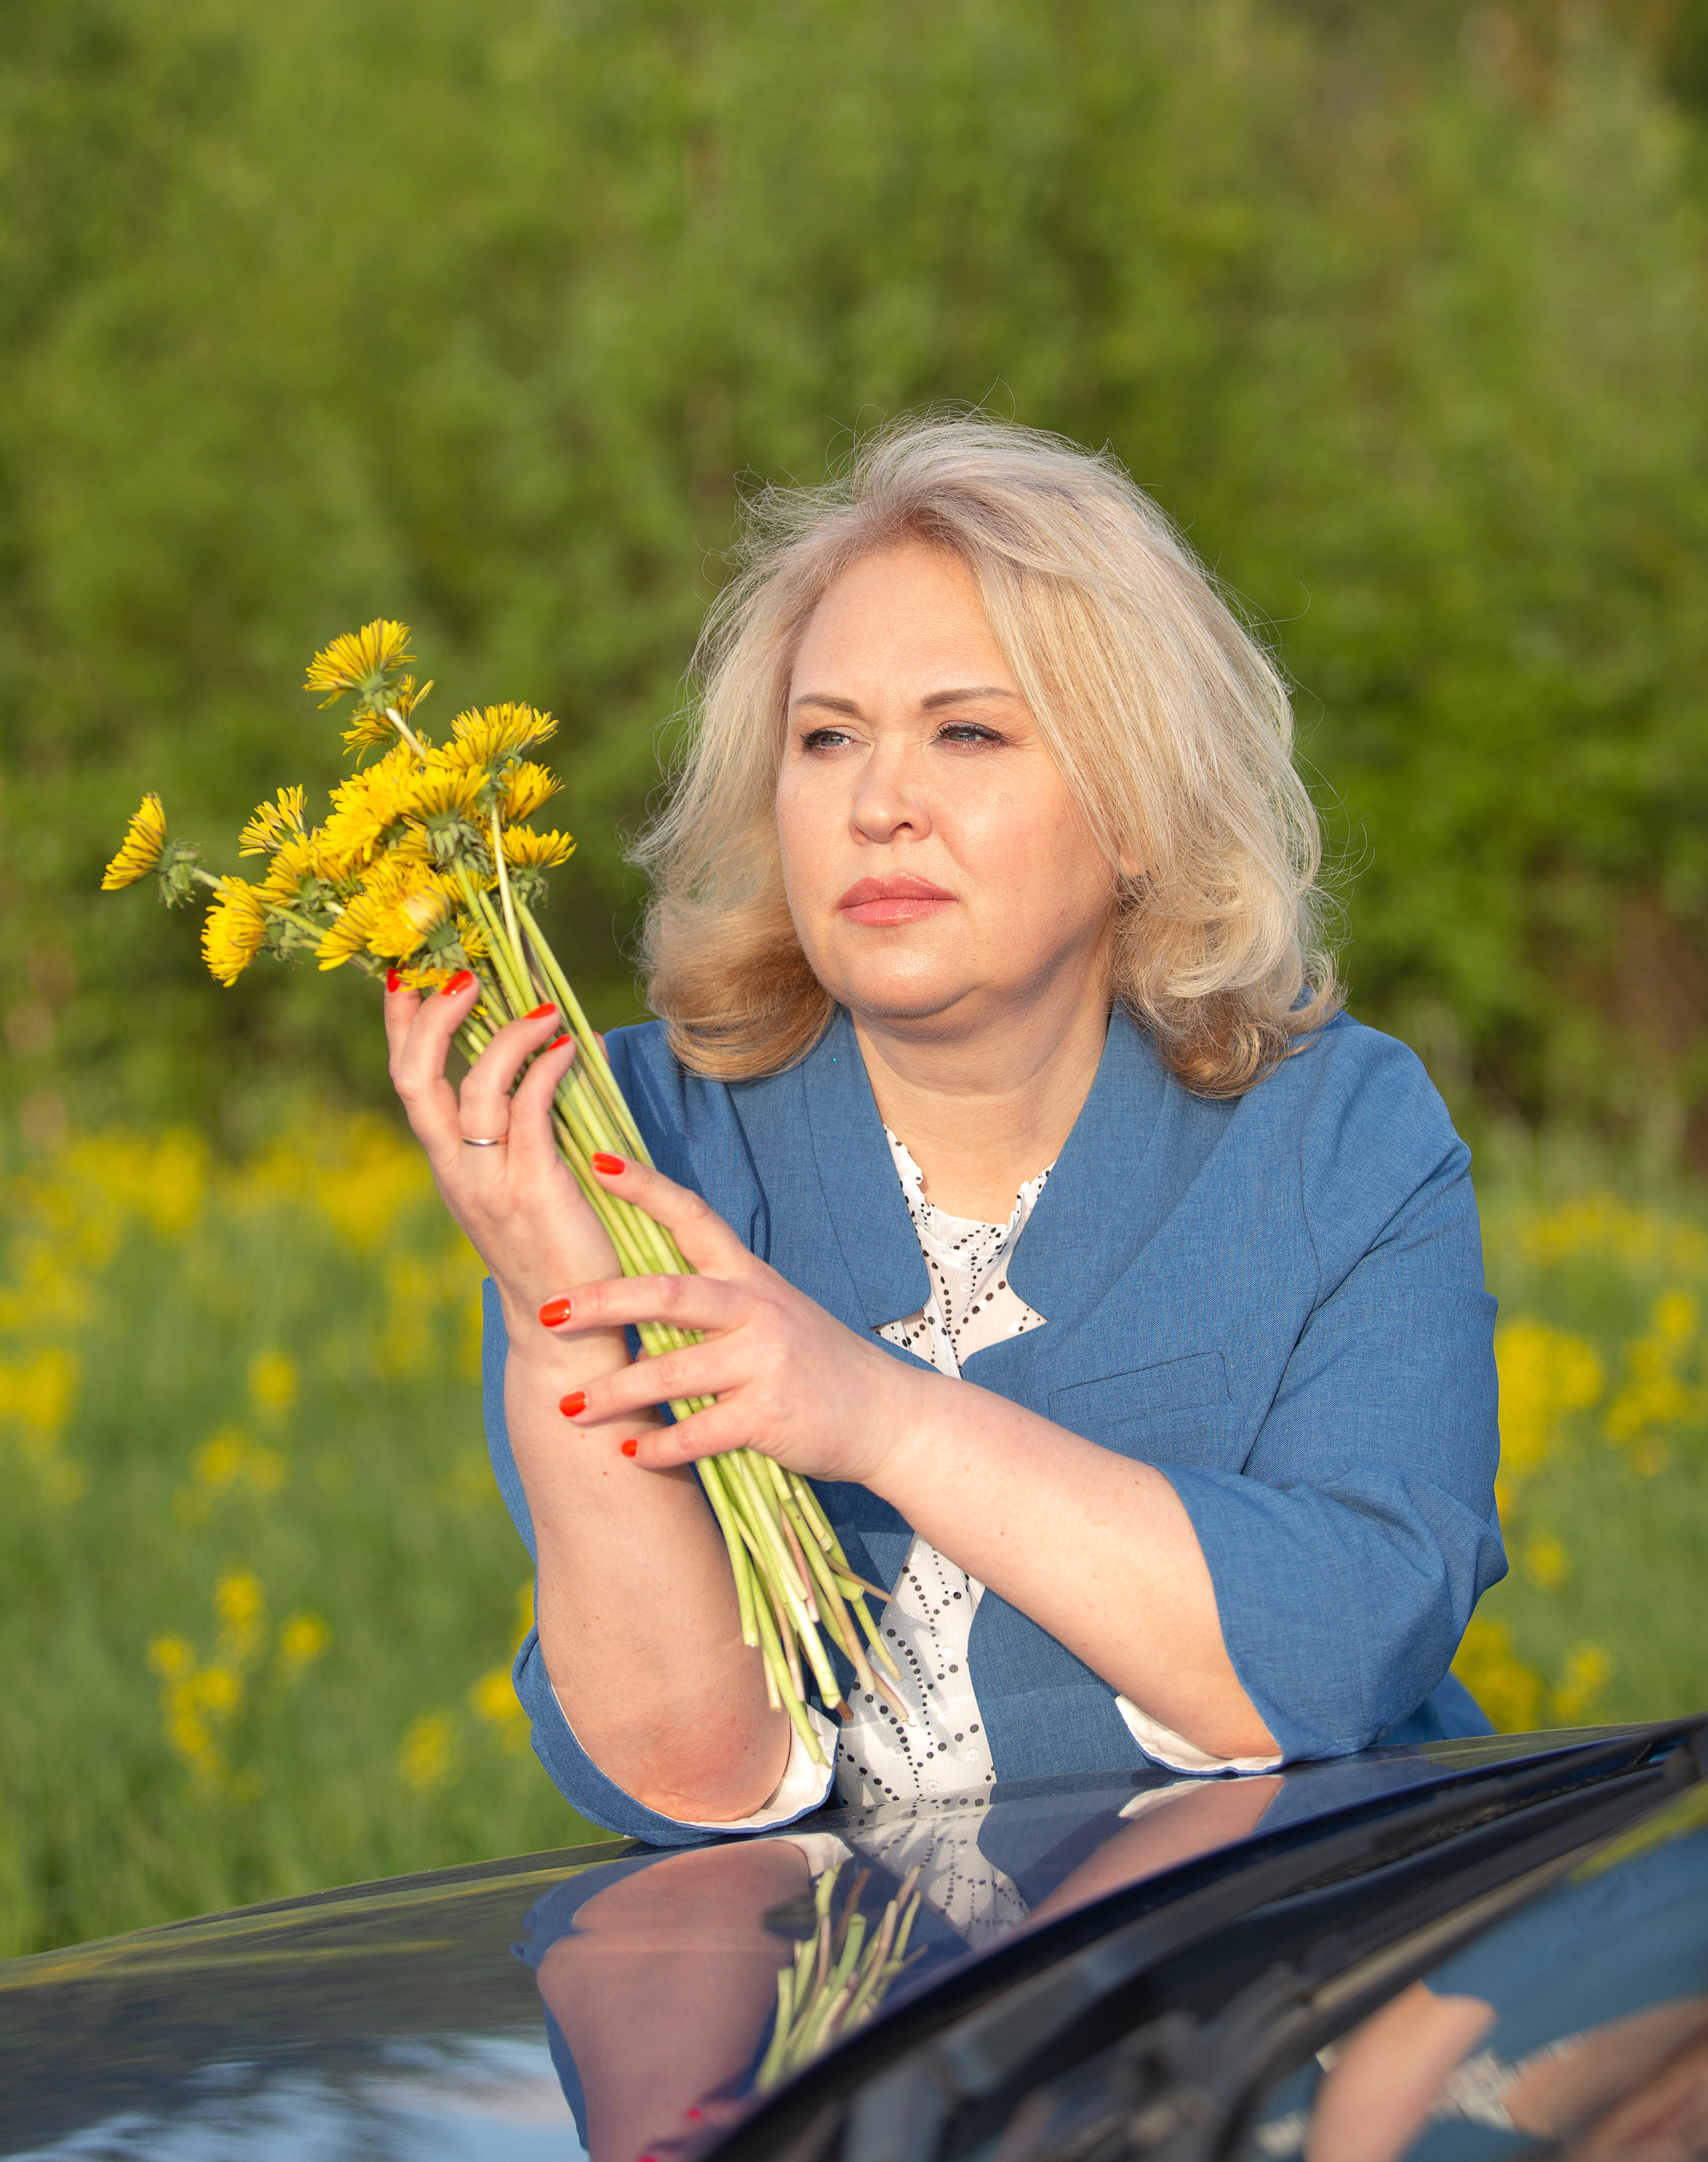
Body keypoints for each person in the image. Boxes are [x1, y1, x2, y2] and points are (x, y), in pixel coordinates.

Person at [383, 414, 1505, 1842]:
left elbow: (1343, 1641)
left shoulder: (1336, 1129)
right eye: (826, 738)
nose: (876, 805)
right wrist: (559, 1319)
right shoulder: (627, 1135)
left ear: (1135, 811)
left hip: (1286, 1996)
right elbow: (690, 1771)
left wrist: (874, 1416)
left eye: (964, 732)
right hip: (824, 2035)